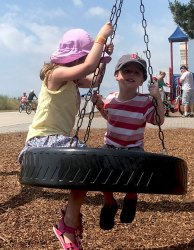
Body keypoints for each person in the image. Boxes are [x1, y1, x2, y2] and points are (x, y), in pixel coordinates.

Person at [18, 23, 114, 250]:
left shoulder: (73, 80)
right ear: (74, 57)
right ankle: (69, 224)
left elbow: (96, 78)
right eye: (83, 58)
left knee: (89, 166)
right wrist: (100, 39)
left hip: (57, 141)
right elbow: (88, 66)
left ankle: (72, 220)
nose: (84, 64)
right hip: (41, 141)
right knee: (88, 159)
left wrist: (102, 60)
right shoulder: (55, 74)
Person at [92, 53, 165, 231]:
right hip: (111, 145)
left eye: (136, 73)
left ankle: (131, 198)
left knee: (135, 175)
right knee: (100, 173)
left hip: (133, 147)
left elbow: (158, 120)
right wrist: (100, 105)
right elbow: (110, 118)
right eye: (126, 71)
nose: (131, 75)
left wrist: (157, 98)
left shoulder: (145, 102)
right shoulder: (110, 98)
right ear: (117, 75)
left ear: (142, 81)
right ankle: (110, 203)